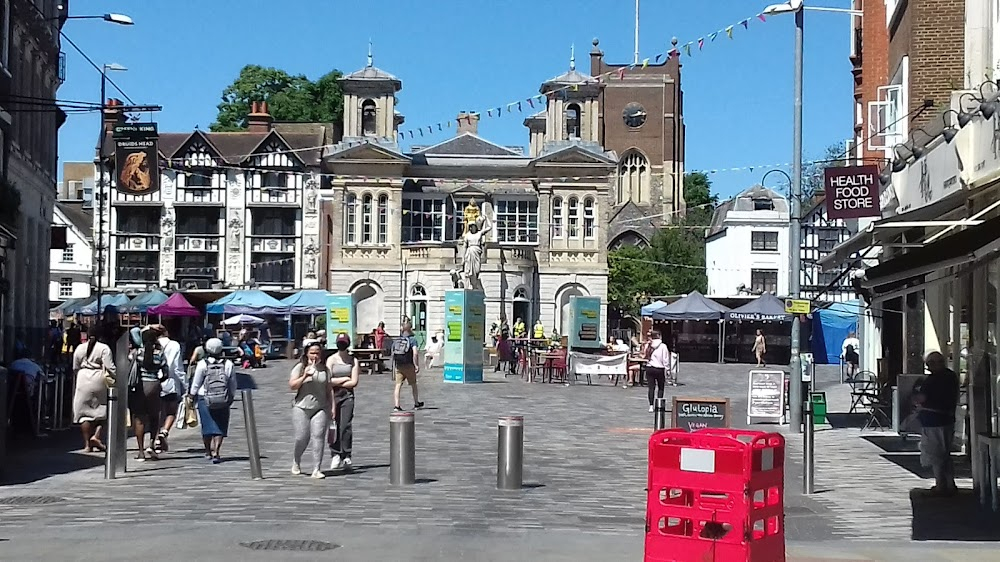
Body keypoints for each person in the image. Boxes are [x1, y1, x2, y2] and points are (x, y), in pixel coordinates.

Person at [914, 351, 960, 496]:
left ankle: (940, 484)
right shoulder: (951, 376)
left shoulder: (932, 380)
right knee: (945, 453)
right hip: (947, 419)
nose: (929, 367)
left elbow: (922, 399)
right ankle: (950, 483)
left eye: (930, 364)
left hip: (933, 420)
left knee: (936, 454)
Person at [188, 338, 237, 463]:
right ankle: (217, 451)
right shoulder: (228, 364)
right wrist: (231, 395)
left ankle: (208, 451)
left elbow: (196, 382)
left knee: (207, 426)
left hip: (205, 397)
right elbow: (232, 383)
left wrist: (191, 395)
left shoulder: (203, 364)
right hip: (223, 397)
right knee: (220, 425)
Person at [289, 342, 333, 479]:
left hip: (320, 407)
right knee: (302, 437)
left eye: (317, 353)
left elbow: (329, 389)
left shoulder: (325, 370)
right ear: (307, 353)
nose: (315, 356)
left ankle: (316, 468)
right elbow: (292, 386)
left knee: (318, 436)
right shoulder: (300, 367)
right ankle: (296, 460)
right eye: (312, 353)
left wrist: (332, 407)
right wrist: (305, 376)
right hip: (301, 407)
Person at [71, 326, 116, 453]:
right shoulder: (104, 348)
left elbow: (75, 366)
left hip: (83, 378)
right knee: (103, 411)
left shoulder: (80, 348)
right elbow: (109, 367)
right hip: (98, 378)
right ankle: (96, 436)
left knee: (84, 414)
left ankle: (87, 445)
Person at [131, 327, 169, 461]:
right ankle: (151, 445)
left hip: (140, 386)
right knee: (154, 417)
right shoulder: (159, 353)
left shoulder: (137, 353)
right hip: (154, 385)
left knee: (140, 418)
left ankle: (140, 451)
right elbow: (166, 372)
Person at [326, 333, 360, 471]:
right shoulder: (331, 360)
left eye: (344, 342)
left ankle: (346, 455)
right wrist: (344, 379)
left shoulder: (353, 360)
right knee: (334, 424)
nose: (342, 345)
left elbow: (354, 382)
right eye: (340, 342)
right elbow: (328, 380)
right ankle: (335, 454)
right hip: (332, 395)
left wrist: (338, 381)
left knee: (345, 425)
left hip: (347, 395)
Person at [153, 325, 185, 455]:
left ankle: (155, 439)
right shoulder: (174, 345)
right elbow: (178, 367)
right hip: (170, 382)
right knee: (171, 411)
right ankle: (164, 431)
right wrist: (185, 384)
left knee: (156, 412)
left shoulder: (149, 344)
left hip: (153, 381)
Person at [393, 321, 424, 411]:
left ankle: (397, 405)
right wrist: (416, 365)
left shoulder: (397, 340)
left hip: (399, 365)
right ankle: (416, 403)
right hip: (409, 365)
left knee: (398, 385)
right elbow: (415, 353)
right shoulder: (412, 340)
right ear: (410, 329)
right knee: (413, 384)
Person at [646, 331, 670, 412]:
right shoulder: (663, 346)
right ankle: (659, 404)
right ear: (659, 336)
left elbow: (645, 355)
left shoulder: (649, 345)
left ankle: (651, 405)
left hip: (649, 367)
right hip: (659, 368)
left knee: (651, 388)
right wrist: (667, 369)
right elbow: (665, 359)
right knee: (660, 387)